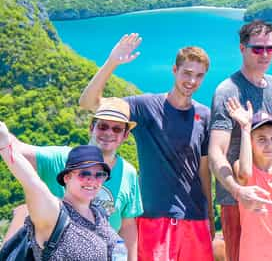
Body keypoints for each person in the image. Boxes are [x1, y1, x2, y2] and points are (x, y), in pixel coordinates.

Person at [78, 33, 214, 261]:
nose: (192, 81)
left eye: (199, 76)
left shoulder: (204, 115)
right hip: (154, 218)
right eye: (187, 73)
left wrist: (209, 213)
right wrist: (112, 62)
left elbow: (203, 170)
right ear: (174, 70)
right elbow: (89, 103)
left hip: (194, 219)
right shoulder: (145, 106)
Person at [4, 97, 142, 259]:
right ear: (92, 128)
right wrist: (4, 142)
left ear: (125, 135)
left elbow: (127, 224)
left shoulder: (128, 173)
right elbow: (16, 152)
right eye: (103, 126)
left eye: (117, 129)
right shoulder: (61, 158)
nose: (109, 133)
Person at [208, 20, 272, 261]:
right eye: (258, 48)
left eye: (270, 48)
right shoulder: (228, 91)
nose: (265, 54)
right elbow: (216, 153)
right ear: (242, 49)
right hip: (240, 201)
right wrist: (238, 190)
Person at [0, 129, 121, 261]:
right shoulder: (55, 215)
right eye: (84, 174)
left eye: (99, 175)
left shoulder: (99, 213)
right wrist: (5, 145)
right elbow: (31, 182)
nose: (92, 180)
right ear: (67, 178)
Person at [225, 98, 272, 261]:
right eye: (261, 139)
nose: (269, 145)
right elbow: (244, 173)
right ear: (250, 141)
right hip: (251, 251)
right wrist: (245, 128)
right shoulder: (242, 167)